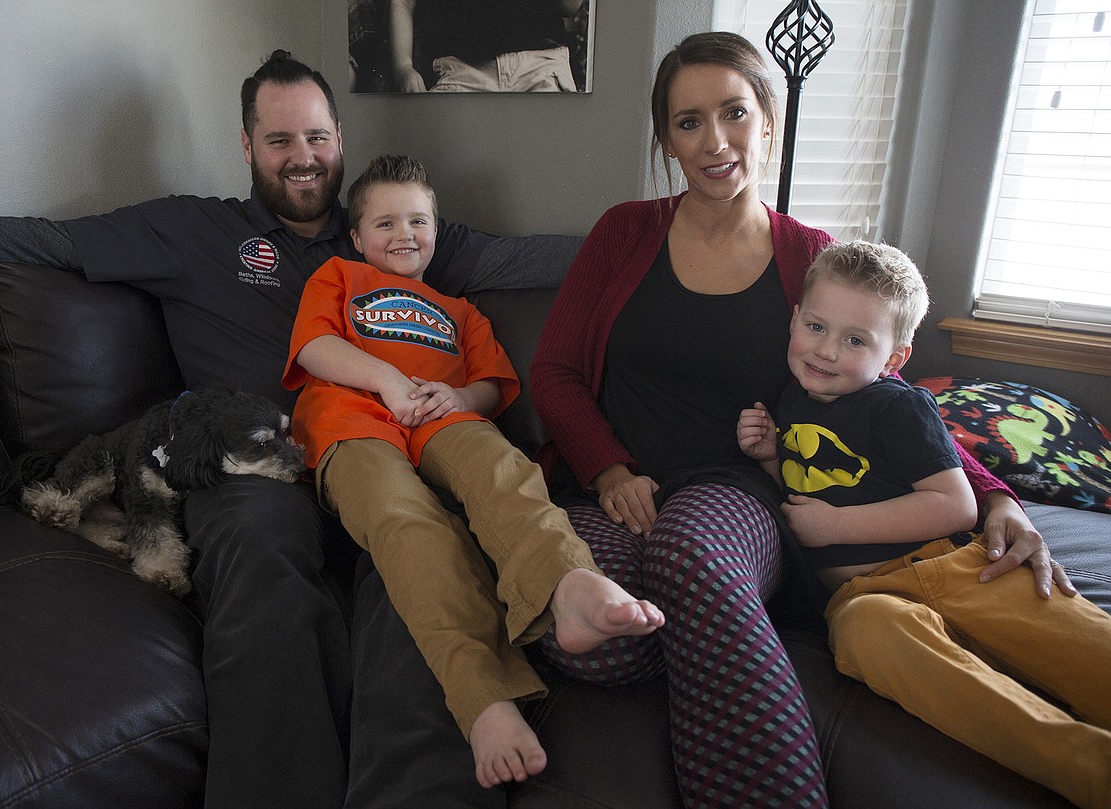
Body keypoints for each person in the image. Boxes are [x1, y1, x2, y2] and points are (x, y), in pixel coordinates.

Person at [0, 50, 580, 809]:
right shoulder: (191, 229)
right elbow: (39, 242)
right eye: (279, 141)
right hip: (257, 471)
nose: (302, 158)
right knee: (262, 558)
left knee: (420, 580)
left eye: (315, 137)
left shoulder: (384, 229)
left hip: (383, 457)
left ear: (339, 138)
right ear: (247, 147)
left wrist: (660, 238)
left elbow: (521, 259)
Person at [528, 31, 1076, 809]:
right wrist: (609, 467)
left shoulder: (810, 255)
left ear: (768, 121)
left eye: (734, 113)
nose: (715, 141)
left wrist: (995, 495)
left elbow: (885, 395)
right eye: (688, 122)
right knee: (592, 639)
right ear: (666, 138)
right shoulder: (623, 232)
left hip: (738, 491)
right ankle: (715, 625)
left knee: (691, 554)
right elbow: (552, 373)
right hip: (613, 491)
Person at [283, 153, 664, 788]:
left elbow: (492, 384)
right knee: (411, 526)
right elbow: (316, 347)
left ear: (437, 228)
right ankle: (486, 702)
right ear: (356, 237)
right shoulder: (339, 275)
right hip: (353, 424)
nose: (404, 235)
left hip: (442, 417)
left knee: (504, 472)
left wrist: (462, 400)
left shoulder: (460, 310)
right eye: (385, 224)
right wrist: (389, 381)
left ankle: (568, 587)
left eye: (418, 221)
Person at [736, 240, 1111, 809]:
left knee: (1083, 651)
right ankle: (1086, 766)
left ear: (894, 359)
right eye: (815, 326)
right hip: (863, 598)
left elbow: (955, 505)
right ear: (795, 318)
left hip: (956, 567)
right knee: (865, 635)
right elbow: (805, 487)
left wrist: (836, 526)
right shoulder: (792, 399)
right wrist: (768, 456)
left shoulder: (898, 406)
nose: (826, 350)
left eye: (855, 340)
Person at [388, 0, 584, 92]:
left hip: (539, 65)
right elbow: (403, 3)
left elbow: (570, 6)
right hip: (461, 71)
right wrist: (403, 67)